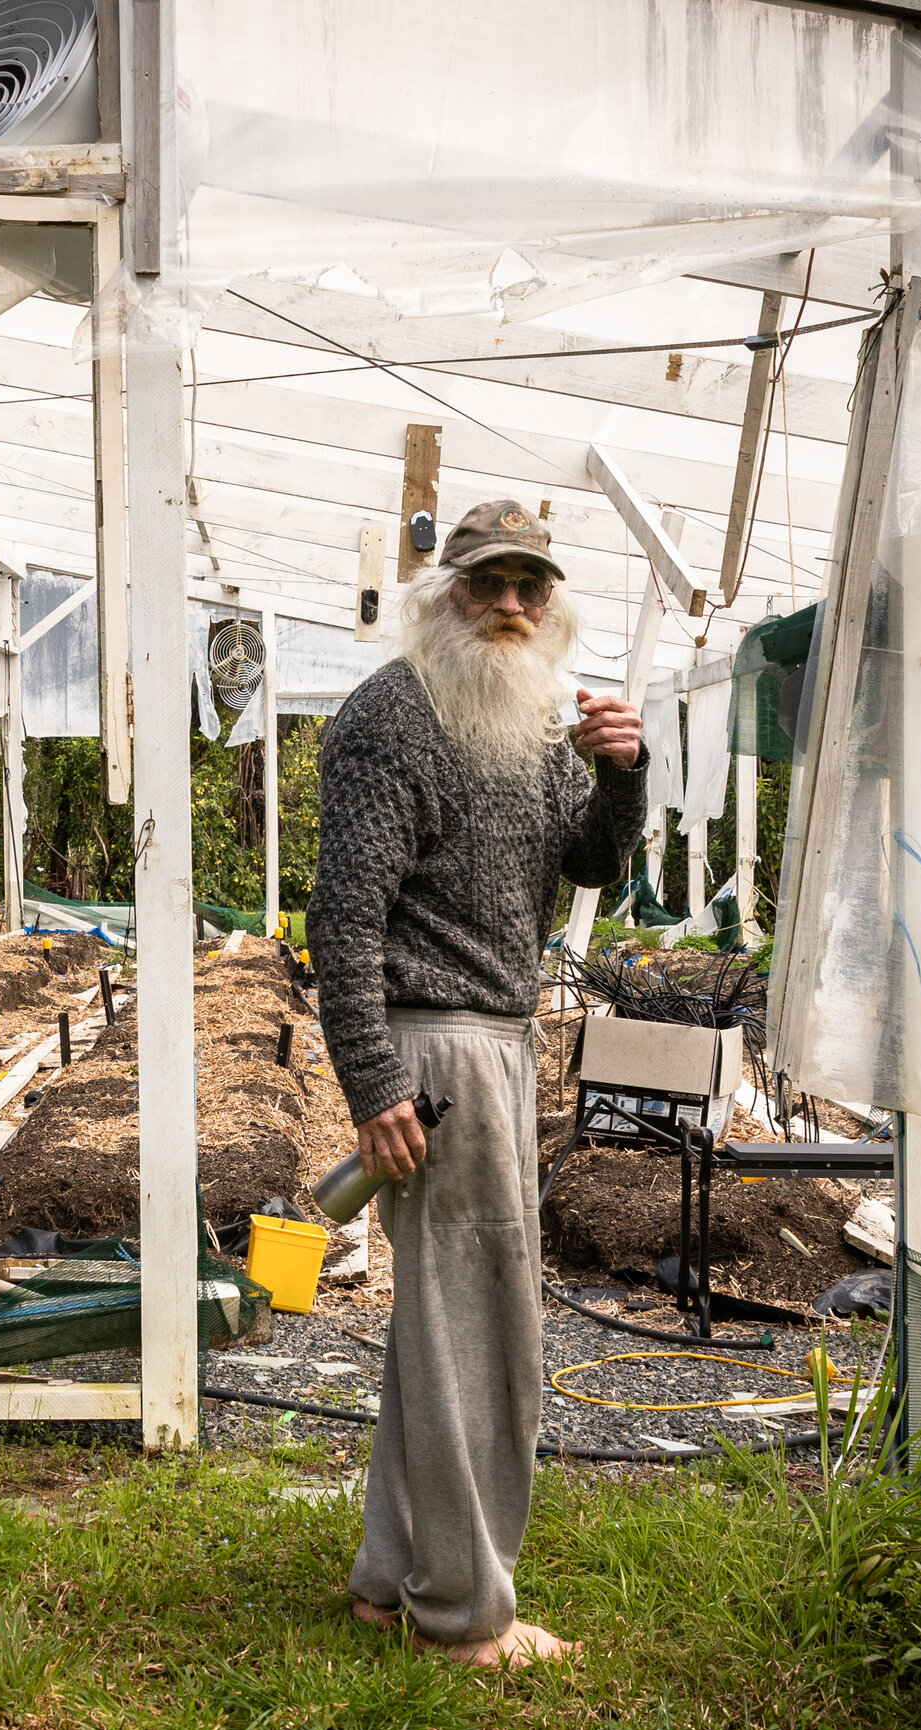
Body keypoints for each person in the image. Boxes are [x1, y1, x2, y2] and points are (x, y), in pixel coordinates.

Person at [306, 498, 649, 1667]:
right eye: (487, 583)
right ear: (442, 593)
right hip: (437, 1046)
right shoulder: (394, 715)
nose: (509, 604)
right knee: (486, 1333)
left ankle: (389, 1578)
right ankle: (462, 1616)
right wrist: (373, 1080)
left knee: (439, 1327)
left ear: (551, 603)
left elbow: (587, 859)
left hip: (497, 1039)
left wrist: (621, 776)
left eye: (530, 586)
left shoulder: (526, 717)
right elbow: (345, 918)